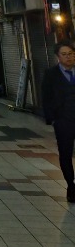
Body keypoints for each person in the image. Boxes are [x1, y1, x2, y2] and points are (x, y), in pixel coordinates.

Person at [42, 41, 75, 202]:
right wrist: (52, 119)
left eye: (71, 53)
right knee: (66, 154)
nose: (68, 57)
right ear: (58, 57)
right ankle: (71, 185)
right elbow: (46, 97)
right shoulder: (51, 74)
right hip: (63, 121)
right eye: (65, 54)